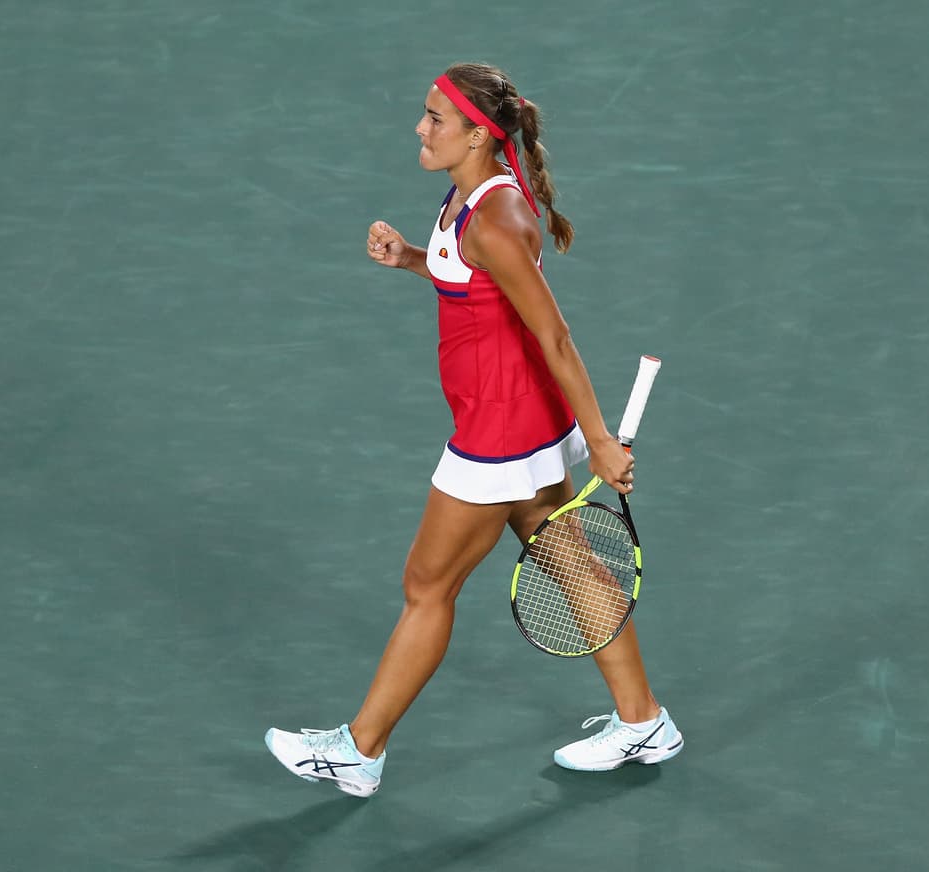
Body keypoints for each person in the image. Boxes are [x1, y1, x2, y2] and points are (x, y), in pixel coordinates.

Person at [264, 63, 682, 798]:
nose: (420, 128)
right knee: (570, 562)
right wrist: (413, 258)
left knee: (428, 585)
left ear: (479, 134)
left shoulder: (496, 219)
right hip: (519, 417)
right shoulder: (468, 196)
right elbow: (478, 287)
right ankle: (644, 720)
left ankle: (359, 751)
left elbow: (554, 336)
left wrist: (602, 442)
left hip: (500, 431)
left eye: (435, 118)